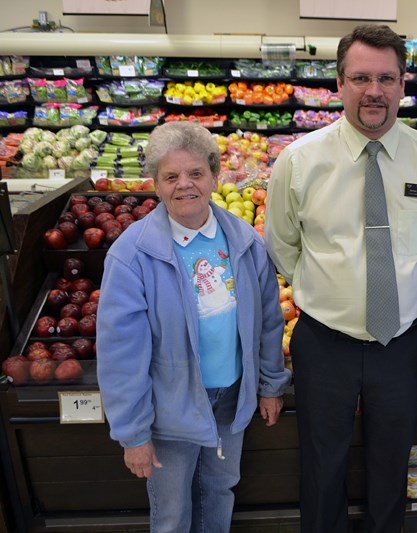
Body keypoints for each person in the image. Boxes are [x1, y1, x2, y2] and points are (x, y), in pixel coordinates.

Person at [265, 24, 417, 533]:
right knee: (322, 463)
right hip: (324, 341)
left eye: (386, 78)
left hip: (401, 340)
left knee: (392, 463)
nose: (374, 90)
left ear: (403, 83)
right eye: (361, 77)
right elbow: (281, 244)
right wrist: (331, 289)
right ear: (339, 83)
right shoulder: (300, 161)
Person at [96, 121, 290, 532]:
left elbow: (270, 322)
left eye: (196, 173)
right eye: (171, 176)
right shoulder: (132, 256)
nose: (185, 185)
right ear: (156, 183)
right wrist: (133, 433)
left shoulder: (244, 241)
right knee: (171, 512)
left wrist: (271, 384)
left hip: (231, 400)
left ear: (215, 176)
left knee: (219, 493)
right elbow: (120, 354)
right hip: (170, 411)